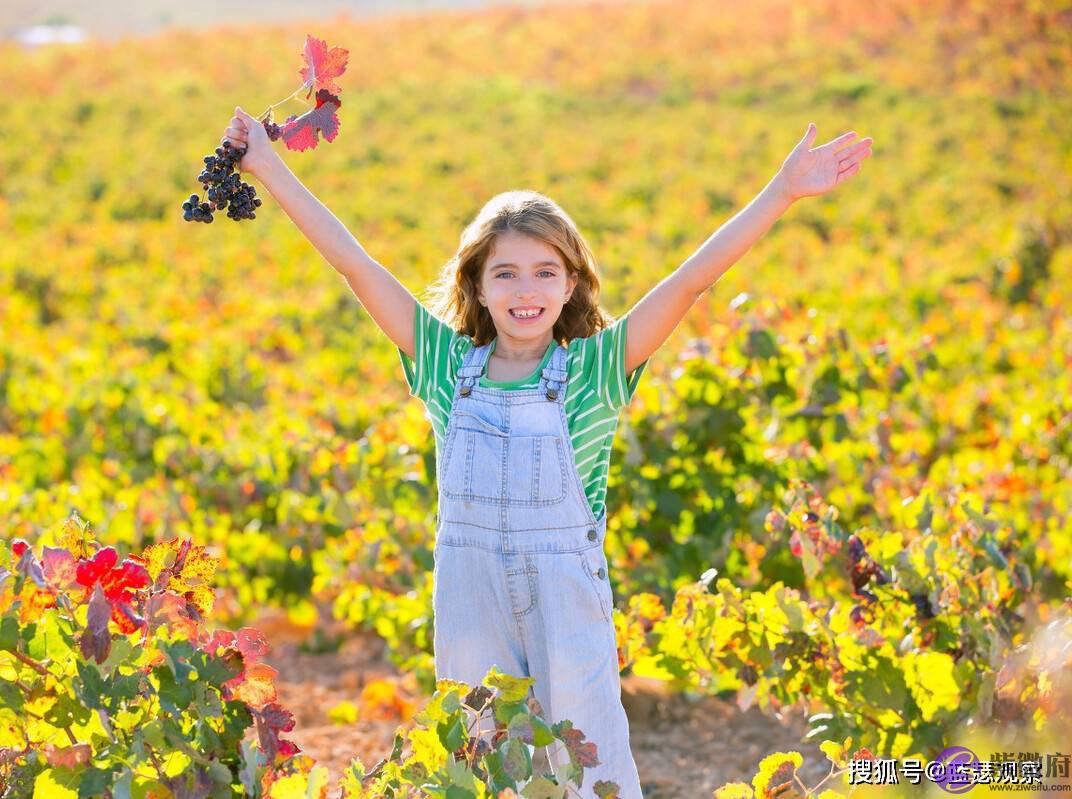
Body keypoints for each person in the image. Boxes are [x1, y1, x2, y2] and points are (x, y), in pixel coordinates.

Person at [220, 105, 872, 797]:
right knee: (481, 757)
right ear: (476, 285)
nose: (524, 290)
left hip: (566, 598)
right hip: (471, 596)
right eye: (504, 273)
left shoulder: (596, 369)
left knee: (585, 765)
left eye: (543, 272)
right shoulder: (445, 364)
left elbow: (689, 281)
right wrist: (267, 165)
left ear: (570, 285)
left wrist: (781, 193)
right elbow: (354, 262)